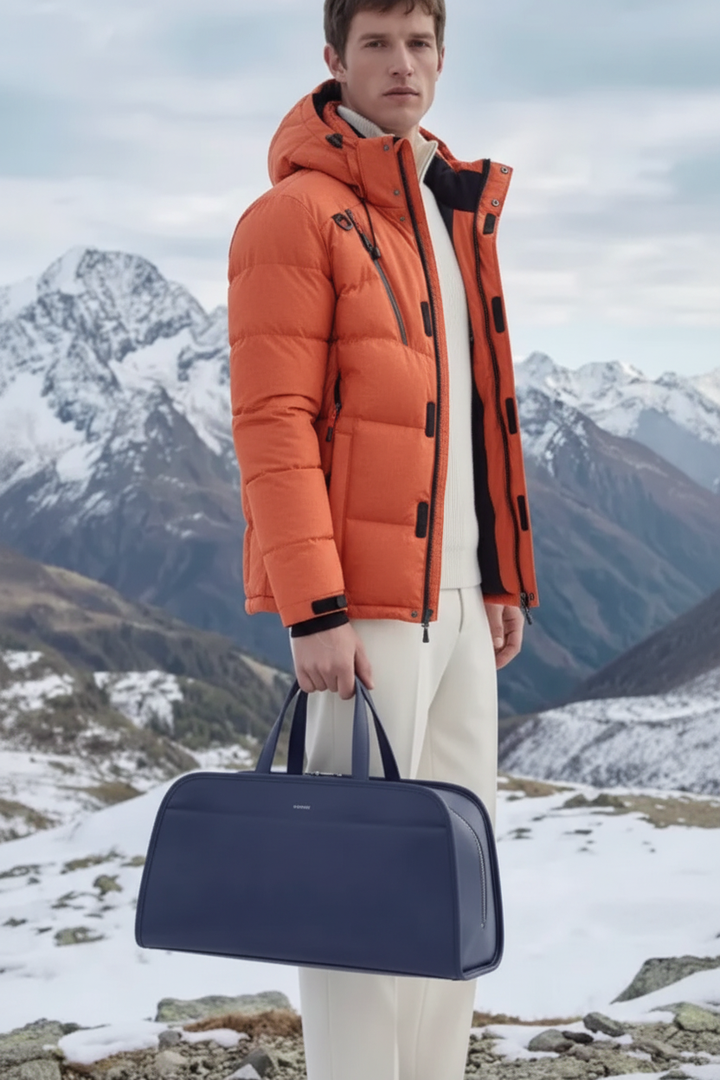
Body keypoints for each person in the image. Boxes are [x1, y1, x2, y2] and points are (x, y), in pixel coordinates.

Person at [228, 1, 538, 1077]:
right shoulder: (294, 216)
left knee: (453, 873)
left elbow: (475, 413)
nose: (401, 64)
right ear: (334, 58)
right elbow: (272, 425)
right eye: (376, 43)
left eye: (419, 43)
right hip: (360, 611)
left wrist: (497, 575)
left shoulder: (447, 212)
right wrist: (313, 610)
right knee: (354, 885)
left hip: (457, 606)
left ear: (442, 56)